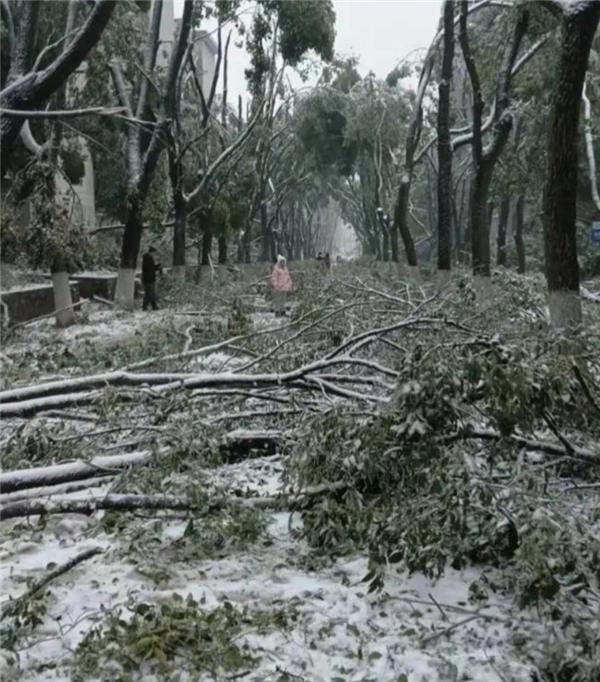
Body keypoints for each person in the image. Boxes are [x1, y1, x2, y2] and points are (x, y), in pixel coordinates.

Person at [141, 246, 162, 311]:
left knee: (152, 293)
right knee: (149, 293)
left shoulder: (149, 258)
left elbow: (152, 269)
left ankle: (154, 306)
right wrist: (157, 267)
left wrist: (157, 266)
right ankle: (144, 307)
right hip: (148, 279)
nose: (155, 254)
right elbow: (149, 269)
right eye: (154, 253)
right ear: (151, 252)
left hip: (150, 278)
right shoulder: (147, 259)